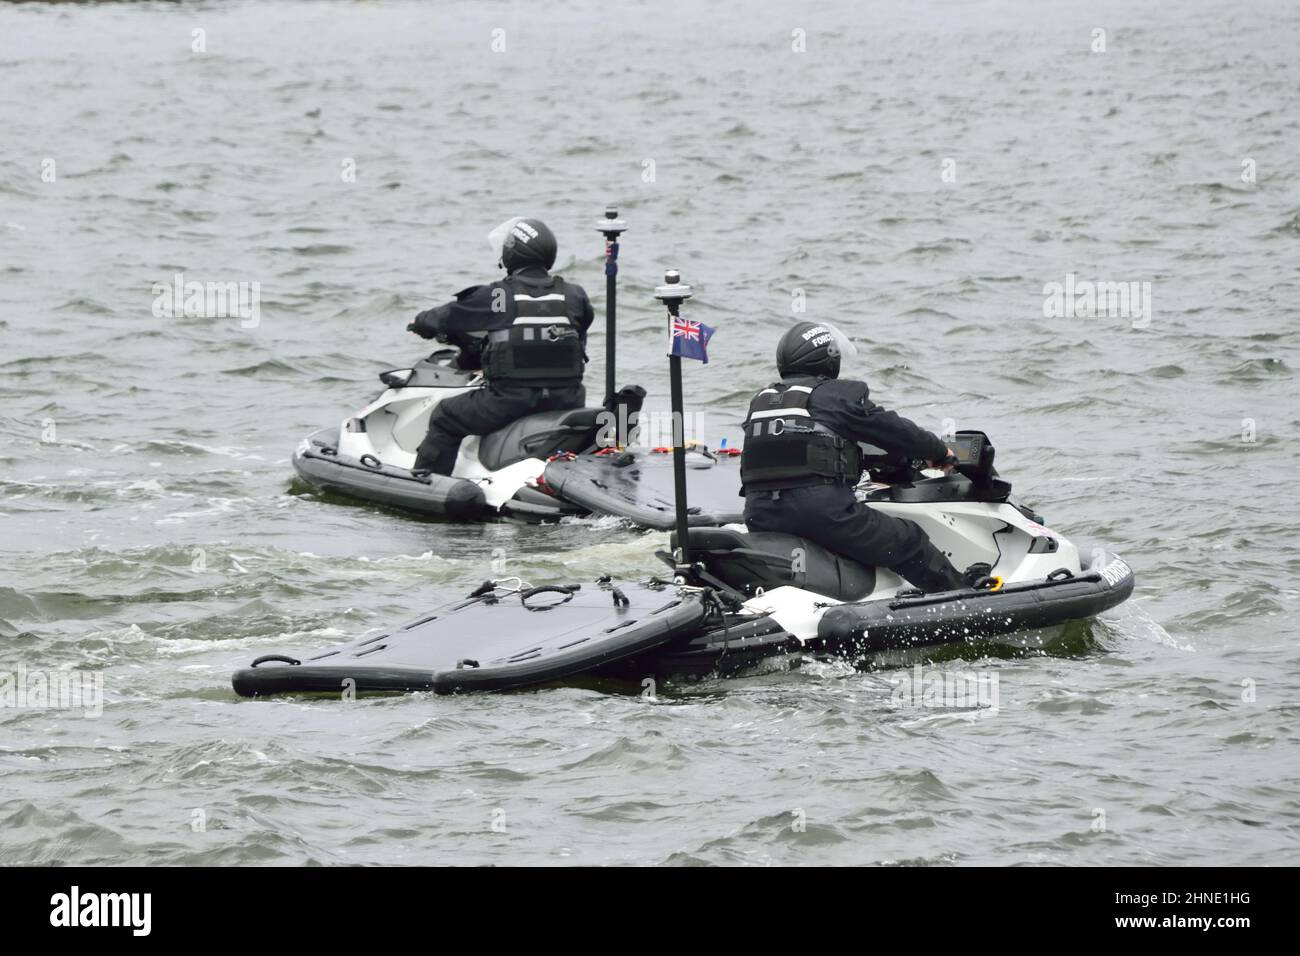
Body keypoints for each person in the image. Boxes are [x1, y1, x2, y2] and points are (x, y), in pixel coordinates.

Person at [740, 321, 971, 593]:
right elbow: (894, 430)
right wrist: (938, 451)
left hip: (760, 515)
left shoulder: (762, 402)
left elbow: (802, 449)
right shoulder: (835, 395)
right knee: (909, 539)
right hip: (821, 513)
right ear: (829, 359)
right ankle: (964, 599)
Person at [406, 218, 594, 475]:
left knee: (445, 416)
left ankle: (428, 484)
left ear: (512, 252)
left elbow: (448, 316)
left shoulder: (497, 295)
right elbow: (577, 335)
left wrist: (420, 323)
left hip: (510, 401)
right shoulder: (574, 295)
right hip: (567, 400)